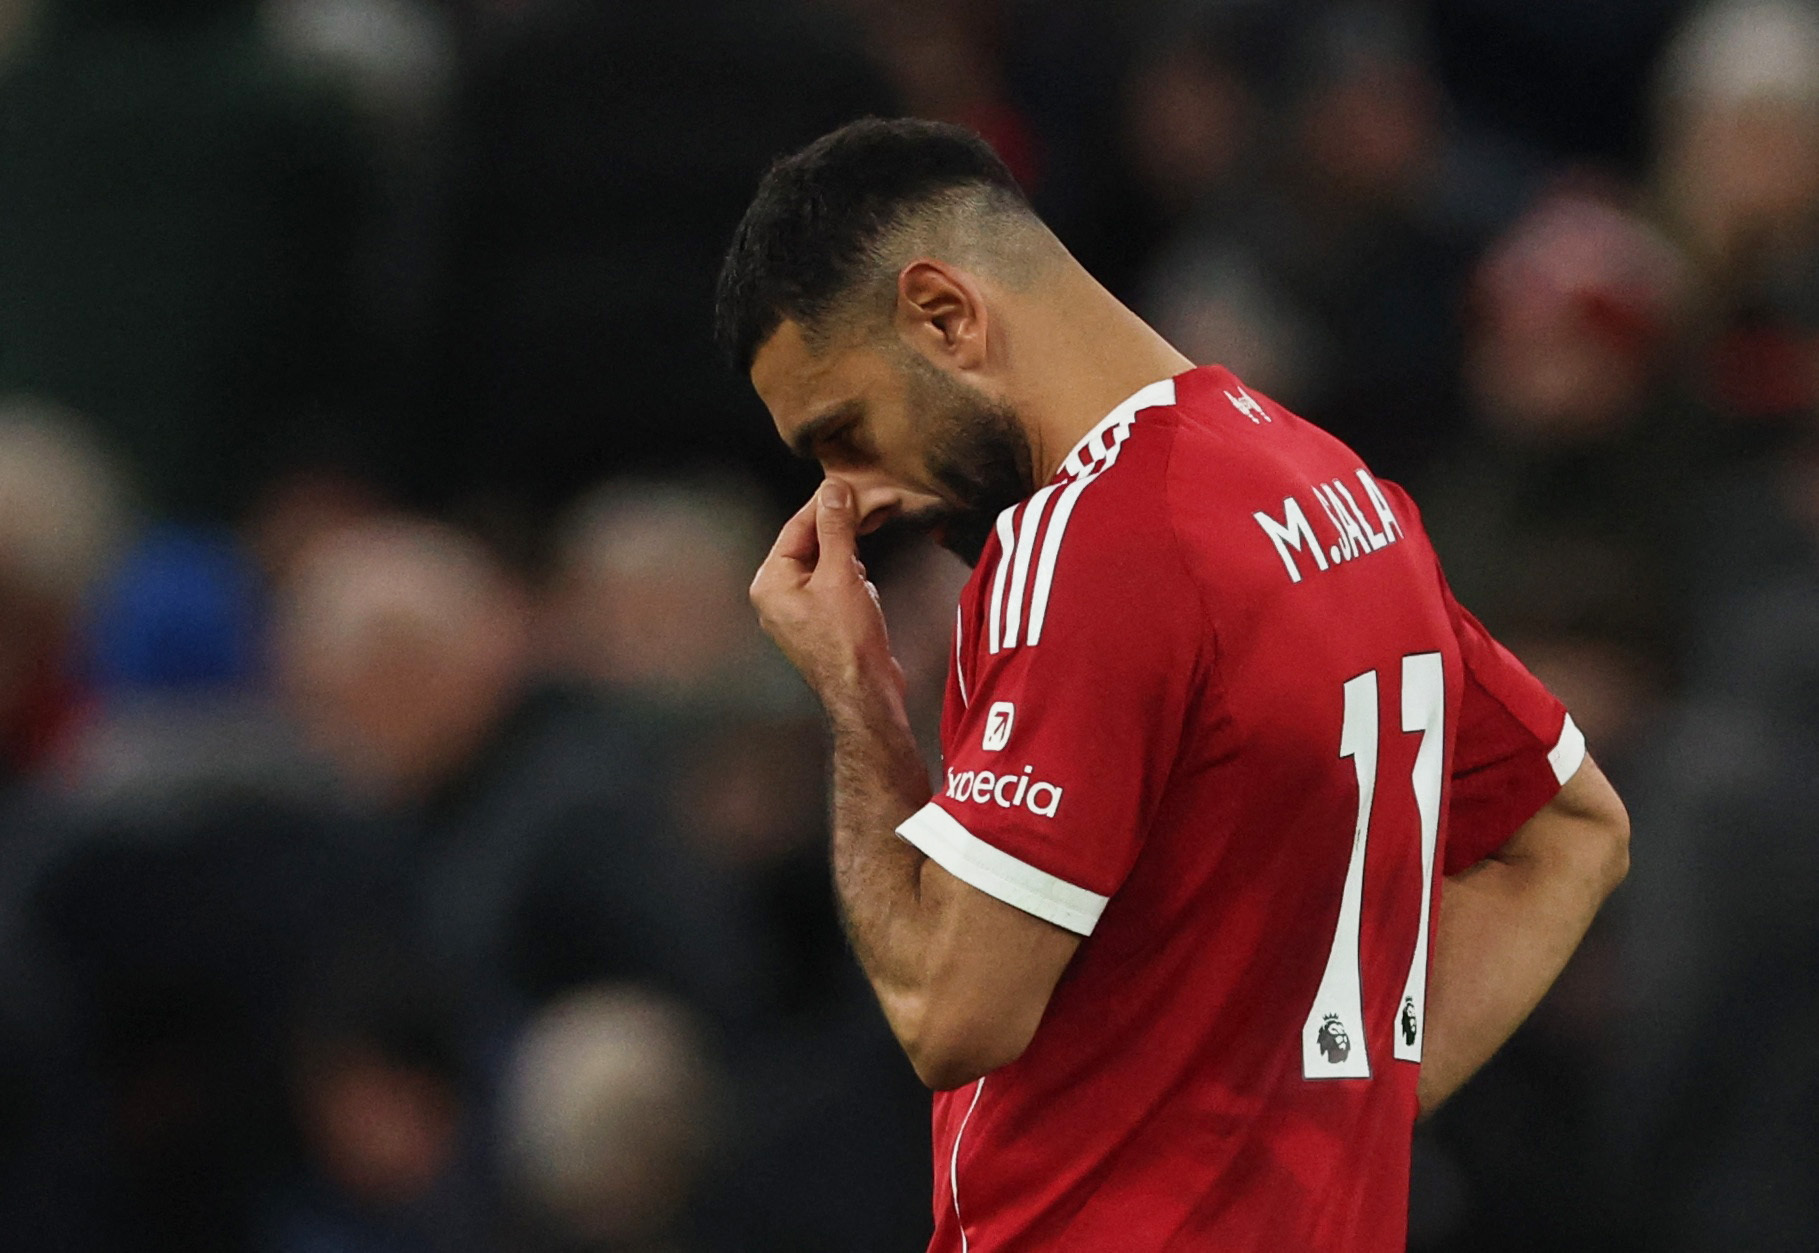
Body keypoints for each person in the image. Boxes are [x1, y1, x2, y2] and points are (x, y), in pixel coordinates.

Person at [713, 118, 1631, 1250]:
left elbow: (951, 1010)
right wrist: (1309, 1145)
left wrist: (856, 692)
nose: (855, 500)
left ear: (944, 315)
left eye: (845, 434)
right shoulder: (1332, 485)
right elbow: (1571, 828)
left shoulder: (1089, 541)